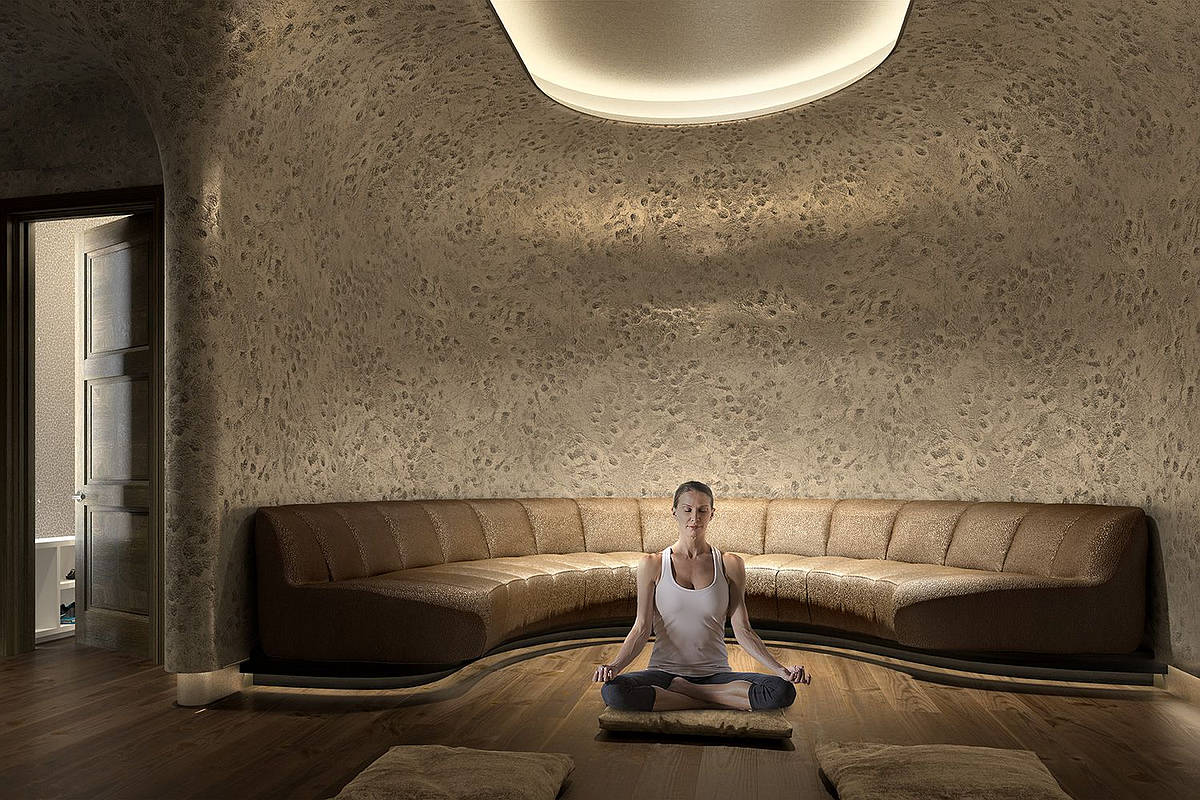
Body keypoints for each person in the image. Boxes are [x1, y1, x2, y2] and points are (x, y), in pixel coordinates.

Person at [593, 481, 812, 712]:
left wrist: (780, 670)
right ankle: (718, 699)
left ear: (712, 514)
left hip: (715, 675)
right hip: (663, 673)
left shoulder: (730, 564)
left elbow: (743, 630)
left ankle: (688, 691)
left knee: (782, 691)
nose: (694, 518)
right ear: (674, 511)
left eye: (702, 510)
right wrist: (615, 666)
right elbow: (641, 628)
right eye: (687, 509)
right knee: (614, 691)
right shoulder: (653, 564)